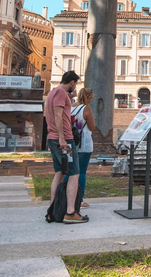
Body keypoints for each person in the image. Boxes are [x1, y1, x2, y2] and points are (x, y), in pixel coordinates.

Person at [44, 71, 88, 224]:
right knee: (74, 173)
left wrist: (71, 96)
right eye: (75, 84)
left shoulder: (52, 93)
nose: (75, 87)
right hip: (63, 141)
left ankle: (53, 210)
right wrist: (62, 138)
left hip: (52, 138)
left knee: (59, 173)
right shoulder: (61, 93)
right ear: (72, 82)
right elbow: (58, 115)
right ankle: (70, 212)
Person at [64, 88, 96, 209]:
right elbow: (92, 126)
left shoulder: (70, 107)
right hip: (83, 144)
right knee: (81, 172)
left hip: (70, 144)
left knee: (70, 171)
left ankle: (65, 196)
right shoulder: (86, 108)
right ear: (88, 98)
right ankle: (79, 199)